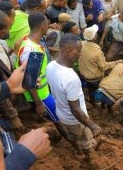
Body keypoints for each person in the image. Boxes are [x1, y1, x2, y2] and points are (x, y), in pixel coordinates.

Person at [47, 33, 101, 161]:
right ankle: (87, 158)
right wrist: (92, 126)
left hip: (62, 113)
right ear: (69, 51)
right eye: (79, 51)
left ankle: (79, 146)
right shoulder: (70, 78)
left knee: (75, 135)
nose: (80, 54)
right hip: (75, 120)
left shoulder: (51, 66)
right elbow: (75, 109)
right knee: (85, 139)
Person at [79, 24, 123, 104]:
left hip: (84, 75)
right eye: (95, 34)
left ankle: (92, 103)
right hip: (95, 78)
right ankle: (99, 103)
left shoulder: (80, 44)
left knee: (90, 90)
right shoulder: (96, 51)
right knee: (99, 91)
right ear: (94, 37)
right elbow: (104, 66)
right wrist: (116, 62)